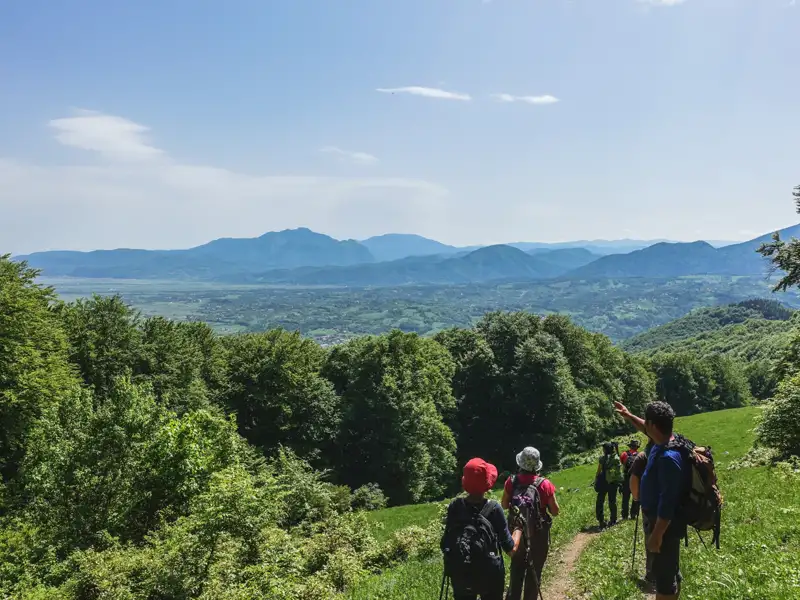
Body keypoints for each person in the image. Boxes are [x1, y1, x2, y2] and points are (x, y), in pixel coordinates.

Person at [615, 401, 686, 600]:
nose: (644, 424)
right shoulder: (664, 440)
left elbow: (668, 502)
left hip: (662, 525)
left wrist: (656, 535)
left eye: (647, 422)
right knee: (668, 569)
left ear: (653, 425)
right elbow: (644, 427)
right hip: (658, 521)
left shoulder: (667, 457)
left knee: (664, 582)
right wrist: (628, 415)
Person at [442, 458, 522, 600]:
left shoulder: (455, 506)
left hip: (461, 574)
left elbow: (445, 544)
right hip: (490, 576)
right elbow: (511, 550)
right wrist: (518, 529)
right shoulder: (494, 509)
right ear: (488, 484)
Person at [501, 447, 559, 600]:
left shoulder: (511, 481)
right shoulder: (544, 484)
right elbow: (555, 511)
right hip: (538, 535)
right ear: (537, 465)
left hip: (517, 533)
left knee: (517, 569)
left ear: (520, 463)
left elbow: (504, 505)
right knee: (535, 572)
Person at [629, 442, 655, 585]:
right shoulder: (672, 451)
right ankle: (671, 572)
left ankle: (651, 573)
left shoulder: (643, 457)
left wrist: (637, 497)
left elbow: (633, 480)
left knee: (650, 535)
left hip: (649, 506)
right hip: (672, 504)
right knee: (669, 537)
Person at [594, 442, 622, 528]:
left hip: (604, 482)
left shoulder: (603, 458)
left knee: (600, 501)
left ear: (605, 450)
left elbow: (599, 471)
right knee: (612, 501)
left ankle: (601, 520)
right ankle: (613, 520)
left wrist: (596, 479)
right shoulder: (616, 458)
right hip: (613, 482)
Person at [620, 439, 642, 520]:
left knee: (625, 497)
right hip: (636, 478)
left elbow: (622, 463)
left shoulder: (624, 454)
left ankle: (624, 515)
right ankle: (634, 514)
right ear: (637, 447)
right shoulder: (640, 455)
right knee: (635, 497)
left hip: (626, 478)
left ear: (630, 446)